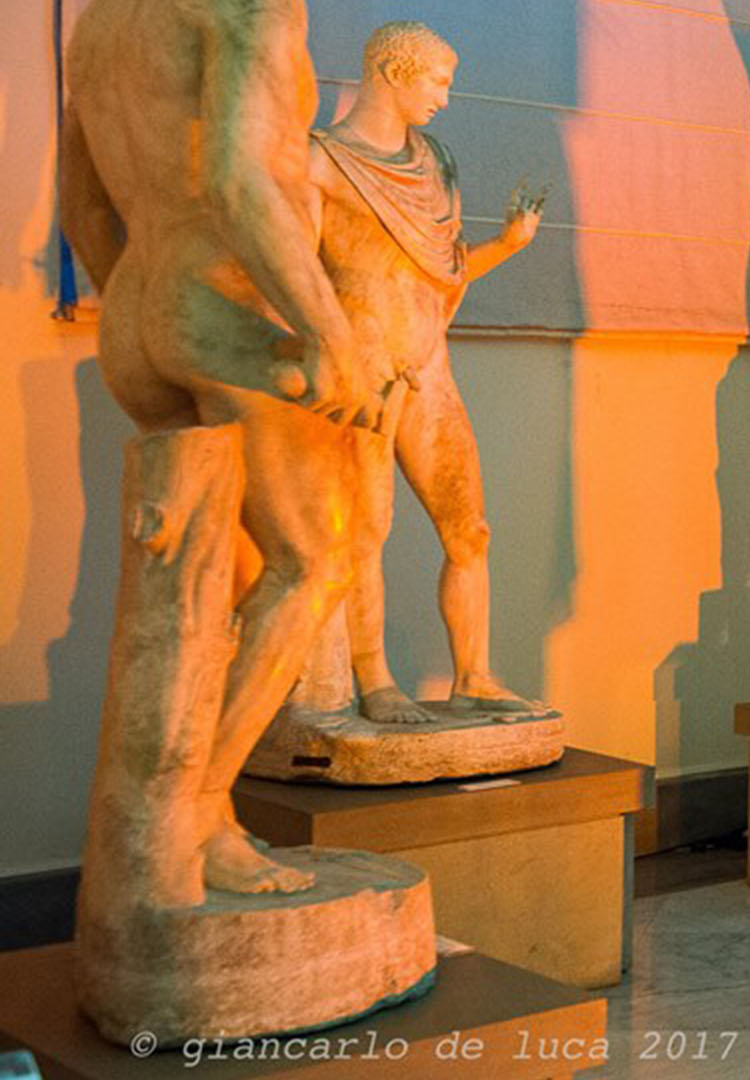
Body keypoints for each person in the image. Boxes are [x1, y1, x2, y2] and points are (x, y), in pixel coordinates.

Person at [60, 0, 393, 894]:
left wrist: (141, 305)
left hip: (141, 307)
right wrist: (331, 334)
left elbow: (82, 200)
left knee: (210, 589)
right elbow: (244, 176)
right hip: (229, 294)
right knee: (318, 559)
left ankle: (152, 849)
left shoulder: (98, 24)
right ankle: (200, 813)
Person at [308, 22, 548, 723]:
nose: (446, 96)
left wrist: (506, 243)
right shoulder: (322, 164)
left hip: (428, 369)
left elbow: (442, 274)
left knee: (469, 529)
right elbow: (293, 277)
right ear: (389, 71)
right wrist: (339, 358)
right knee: (366, 530)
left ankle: (473, 675)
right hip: (365, 375)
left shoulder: (434, 161)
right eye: (436, 80)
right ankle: (374, 681)